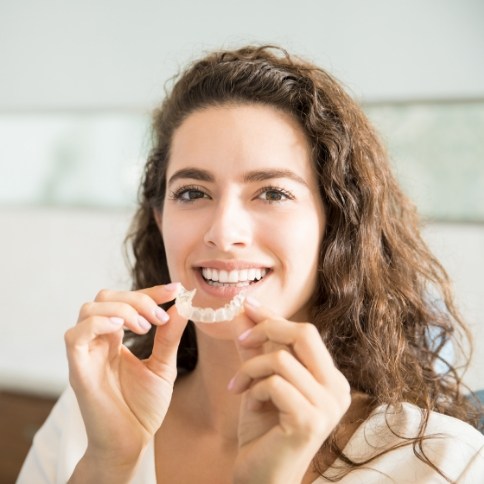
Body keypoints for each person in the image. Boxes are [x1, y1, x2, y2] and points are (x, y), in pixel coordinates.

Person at [18, 45, 484, 483]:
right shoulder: (88, 419)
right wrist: (107, 463)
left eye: (273, 193)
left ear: (337, 225)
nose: (223, 231)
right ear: (160, 220)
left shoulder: (443, 462)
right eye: (193, 193)